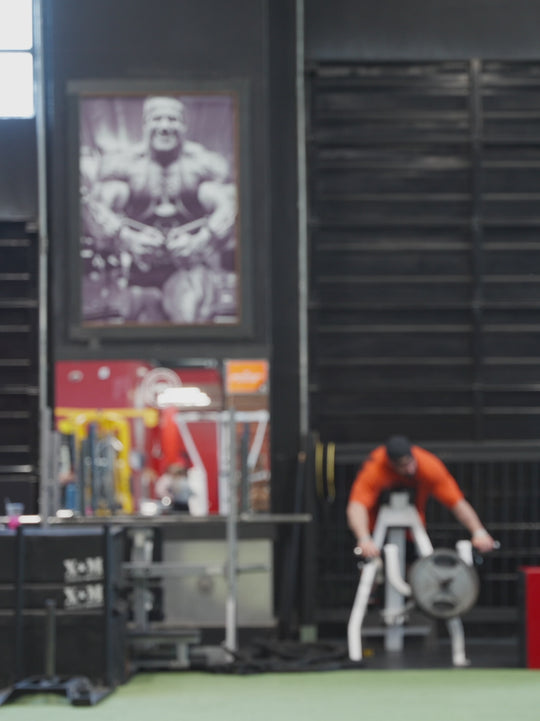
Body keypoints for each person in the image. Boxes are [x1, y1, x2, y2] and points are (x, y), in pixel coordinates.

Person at [81, 95, 237, 324]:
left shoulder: (202, 164)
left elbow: (231, 204)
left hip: (185, 269)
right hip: (136, 272)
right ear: (145, 125)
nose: (164, 127)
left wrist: (201, 240)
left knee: (187, 314)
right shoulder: (124, 165)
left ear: (184, 126)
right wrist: (127, 238)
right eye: (157, 119)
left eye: (172, 120)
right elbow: (95, 204)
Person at [347, 435, 496, 559]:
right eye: (404, 466)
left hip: (412, 527)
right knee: (371, 567)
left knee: (417, 570)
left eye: (411, 462)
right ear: (391, 464)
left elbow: (456, 503)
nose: (410, 469)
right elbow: (357, 506)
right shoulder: (374, 468)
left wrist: (479, 532)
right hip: (376, 528)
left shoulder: (428, 465)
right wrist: (364, 538)